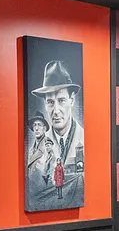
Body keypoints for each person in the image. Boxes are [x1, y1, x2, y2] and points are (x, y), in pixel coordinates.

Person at [26, 58, 85, 210]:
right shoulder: (39, 146)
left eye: (61, 100)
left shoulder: (84, 138)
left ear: (72, 100)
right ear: (45, 104)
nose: (56, 110)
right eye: (50, 102)